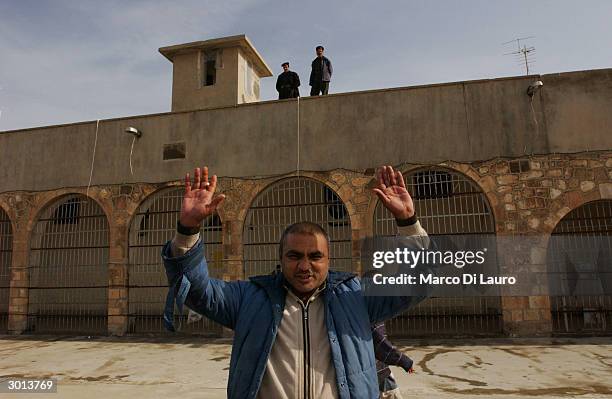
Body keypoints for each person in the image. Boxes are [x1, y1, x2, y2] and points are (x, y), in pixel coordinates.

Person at [162, 165, 432, 399]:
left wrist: (408, 222)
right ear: (280, 258)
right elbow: (197, 292)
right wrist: (188, 230)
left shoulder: (355, 298)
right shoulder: (250, 299)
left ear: (328, 260)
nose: (304, 266)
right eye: (294, 256)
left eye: (315, 256)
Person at [372, 321, 414, 399]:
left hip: (375, 368)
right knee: (391, 393)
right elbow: (380, 345)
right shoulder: (370, 314)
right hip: (378, 369)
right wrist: (403, 361)